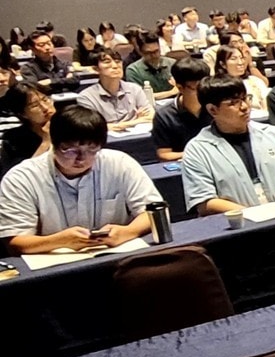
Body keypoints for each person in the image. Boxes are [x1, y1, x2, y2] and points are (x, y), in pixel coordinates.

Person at [0, 105, 161, 253]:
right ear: (54, 144)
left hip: (116, 257)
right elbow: (14, 241)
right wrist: (57, 241)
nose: (81, 159)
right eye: (70, 150)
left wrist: (128, 231)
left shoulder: (119, 163)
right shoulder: (21, 178)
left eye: (92, 149)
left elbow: (154, 211)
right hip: (56, 267)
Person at [181, 75, 275, 215]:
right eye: (233, 103)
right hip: (237, 228)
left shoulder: (274, 134)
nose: (244, 107)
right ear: (213, 110)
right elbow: (205, 202)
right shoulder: (197, 149)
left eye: (245, 99)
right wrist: (254, 214)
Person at [75, 48, 153, 130]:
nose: (115, 66)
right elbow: (95, 128)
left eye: (118, 61)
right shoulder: (86, 97)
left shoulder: (135, 89)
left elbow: (151, 115)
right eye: (107, 62)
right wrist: (137, 120)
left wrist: (115, 126)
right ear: (96, 69)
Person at [154, 57, 213, 160]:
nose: (204, 91)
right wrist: (198, 153)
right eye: (197, 88)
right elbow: (164, 154)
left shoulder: (215, 106)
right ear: (180, 88)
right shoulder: (164, 115)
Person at [1, 84, 54, 176]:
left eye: (45, 100)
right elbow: (16, 177)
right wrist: (46, 142)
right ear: (22, 114)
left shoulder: (71, 124)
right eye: (34, 105)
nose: (45, 108)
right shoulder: (13, 140)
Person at [215, 44, 270, 111]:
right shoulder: (218, 86)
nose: (240, 62)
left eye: (241, 58)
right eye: (233, 59)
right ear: (223, 64)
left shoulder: (255, 80)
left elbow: (267, 106)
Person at [124, 32, 177, 99]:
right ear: (140, 52)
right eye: (149, 53)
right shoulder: (133, 70)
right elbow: (139, 97)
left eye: (156, 51)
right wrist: (171, 92)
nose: (154, 56)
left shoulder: (173, 63)